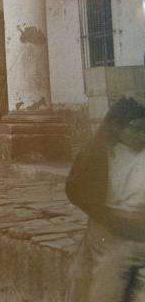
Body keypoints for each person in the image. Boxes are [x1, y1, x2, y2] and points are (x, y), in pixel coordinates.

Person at [66, 97, 145, 302]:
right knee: (78, 278)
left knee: (105, 286)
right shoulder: (107, 153)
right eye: (136, 129)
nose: (142, 135)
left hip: (131, 234)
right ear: (117, 129)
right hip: (101, 228)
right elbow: (76, 189)